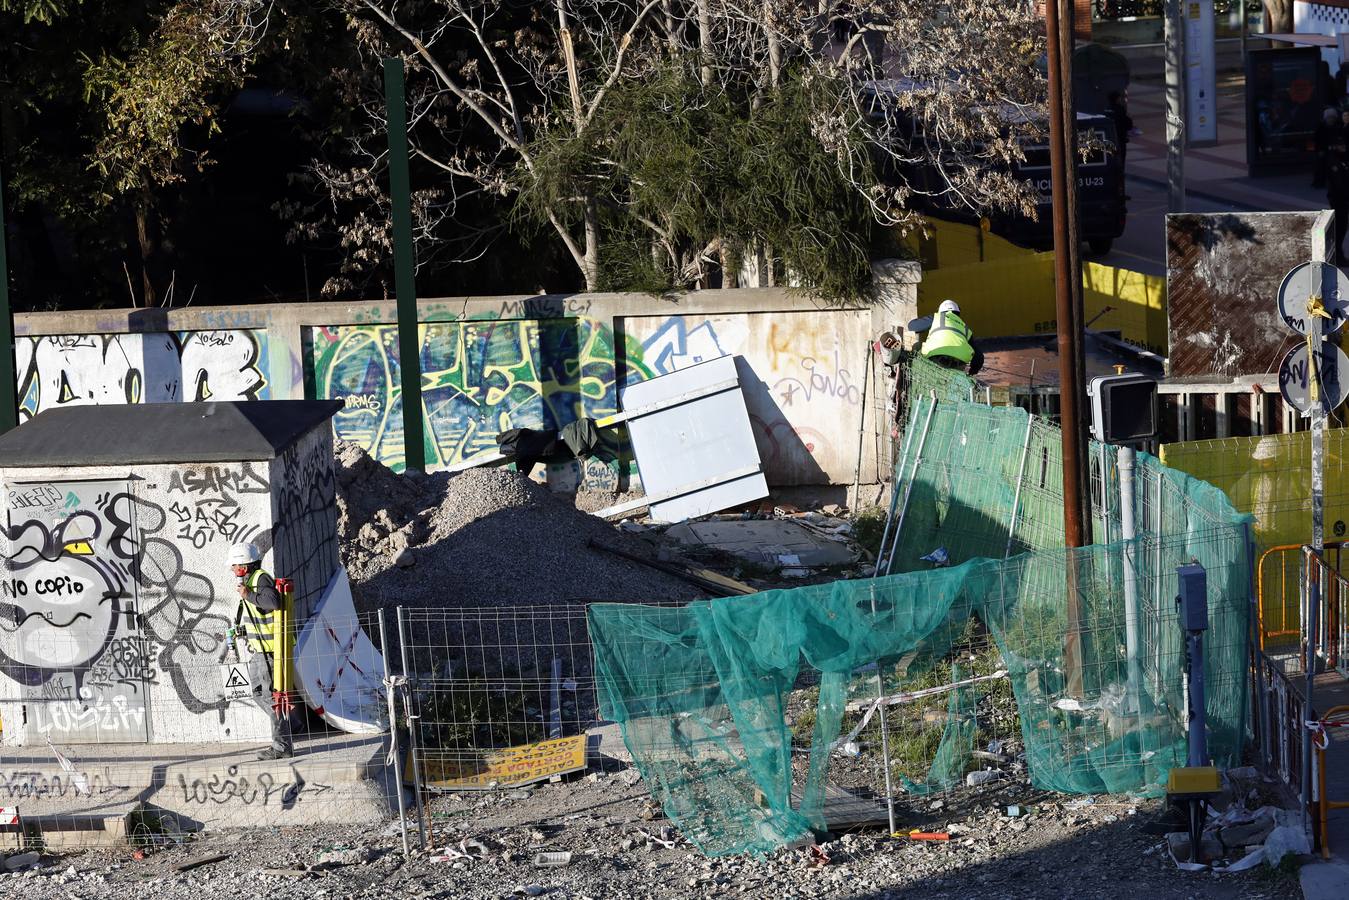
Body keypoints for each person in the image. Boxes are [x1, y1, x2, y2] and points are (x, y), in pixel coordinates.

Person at [229, 541, 292, 760]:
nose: (232, 569)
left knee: (271, 697)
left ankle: (282, 746)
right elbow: (260, 614)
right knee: (258, 694)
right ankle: (283, 725)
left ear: (244, 566)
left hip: (270, 651)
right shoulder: (250, 582)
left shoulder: (260, 578)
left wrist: (248, 595)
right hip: (260, 650)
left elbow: (273, 602)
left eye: (235, 565)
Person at [919, 299, 983, 375]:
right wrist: (972, 372)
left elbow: (912, 326)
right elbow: (979, 356)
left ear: (940, 311)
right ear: (958, 313)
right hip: (959, 363)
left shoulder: (936, 317)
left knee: (917, 345)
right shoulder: (966, 329)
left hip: (935, 357)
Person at [1313, 107, 1341, 188]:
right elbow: (1318, 140)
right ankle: (1319, 182)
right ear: (1326, 118)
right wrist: (1320, 150)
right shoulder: (1321, 127)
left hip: (1335, 148)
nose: (1331, 119)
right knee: (1321, 164)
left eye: (1332, 117)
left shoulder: (1338, 126)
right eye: (1329, 117)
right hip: (1323, 149)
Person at [1107, 90, 1134, 170]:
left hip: (1110, 139)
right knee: (1121, 158)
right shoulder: (1120, 109)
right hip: (1120, 138)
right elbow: (1128, 124)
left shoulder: (1107, 109)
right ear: (1117, 99)